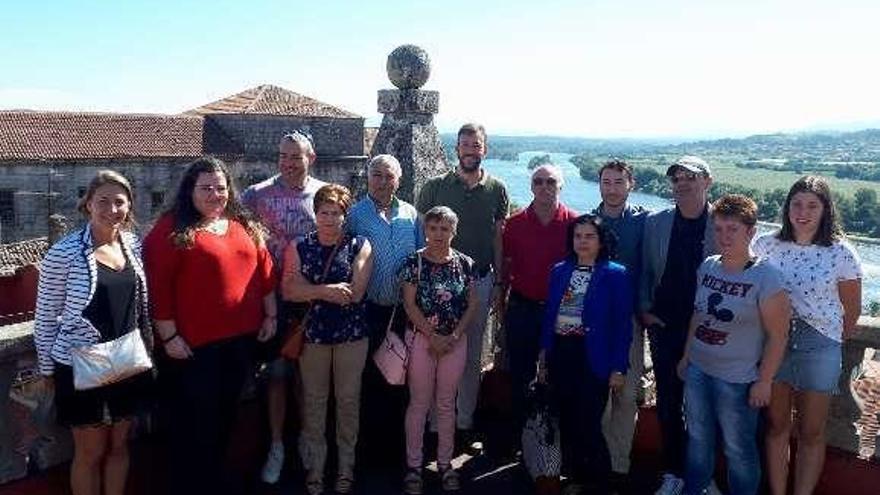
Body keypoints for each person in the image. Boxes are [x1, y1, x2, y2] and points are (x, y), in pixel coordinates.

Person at [144, 157, 276, 495]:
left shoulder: (242, 224)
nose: (215, 194)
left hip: (239, 343)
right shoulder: (171, 230)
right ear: (190, 191)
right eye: (206, 188)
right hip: (191, 348)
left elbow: (264, 273)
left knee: (225, 420)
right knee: (192, 427)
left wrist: (271, 315)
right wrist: (169, 335)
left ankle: (212, 482)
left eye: (220, 187)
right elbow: (158, 287)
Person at [33, 170, 153, 495]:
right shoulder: (64, 253)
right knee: (89, 453)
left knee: (118, 447)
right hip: (80, 365)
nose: (111, 209)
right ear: (87, 204)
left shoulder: (132, 245)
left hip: (127, 359)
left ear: (129, 206)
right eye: (102, 201)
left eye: (119, 202)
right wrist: (46, 370)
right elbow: (44, 317)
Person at [753, 176, 863, 495]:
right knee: (776, 427)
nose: (803, 212)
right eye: (797, 204)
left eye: (812, 205)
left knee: (812, 432)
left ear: (825, 210)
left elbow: (851, 311)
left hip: (820, 344)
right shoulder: (766, 244)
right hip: (775, 342)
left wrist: (830, 344)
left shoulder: (841, 253)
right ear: (787, 208)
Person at [677, 194, 791, 495]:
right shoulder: (709, 267)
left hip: (738, 379)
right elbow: (698, 316)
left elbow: (779, 336)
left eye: (732, 229)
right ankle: (695, 489)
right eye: (719, 229)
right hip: (699, 370)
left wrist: (764, 381)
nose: (724, 236)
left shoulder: (766, 276)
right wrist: (686, 358)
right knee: (698, 439)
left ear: (751, 232)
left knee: (738, 450)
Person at [241, 130, 327, 484]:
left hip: (311, 300)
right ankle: (277, 445)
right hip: (271, 299)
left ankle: (308, 441)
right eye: (283, 156)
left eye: (296, 156)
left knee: (308, 377)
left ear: (311, 158)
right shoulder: (256, 196)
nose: (288, 163)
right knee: (276, 375)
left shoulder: (323, 194)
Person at [416, 123, 509, 444]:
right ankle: (432, 425)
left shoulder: (497, 189)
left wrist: (499, 283)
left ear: (485, 149)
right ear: (456, 148)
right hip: (437, 283)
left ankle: (464, 422)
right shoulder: (435, 187)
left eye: (476, 145)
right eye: (465, 144)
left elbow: (498, 237)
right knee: (434, 351)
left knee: (471, 355)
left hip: (480, 281)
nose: (470, 150)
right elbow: (421, 233)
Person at [281, 184, 373, 495]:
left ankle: (346, 467)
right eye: (324, 212)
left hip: (351, 336)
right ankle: (315, 469)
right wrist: (325, 291)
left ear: (345, 216)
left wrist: (309, 288)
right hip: (314, 337)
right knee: (314, 403)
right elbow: (288, 290)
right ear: (315, 213)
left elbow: (355, 293)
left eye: (336, 213)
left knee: (348, 403)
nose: (330, 219)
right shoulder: (299, 246)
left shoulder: (360, 245)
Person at [537, 214, 633, 495]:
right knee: (565, 418)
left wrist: (618, 368)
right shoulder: (559, 270)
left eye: (589, 236)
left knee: (589, 422)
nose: (583, 241)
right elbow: (549, 316)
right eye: (578, 236)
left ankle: (600, 483)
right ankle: (576, 477)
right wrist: (544, 357)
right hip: (561, 353)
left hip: (594, 355)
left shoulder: (616, 273)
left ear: (601, 240)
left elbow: (622, 325)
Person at [639, 156, 716, 495]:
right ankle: (673, 471)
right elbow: (644, 271)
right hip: (665, 326)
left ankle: (702, 476)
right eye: (677, 178)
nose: (682, 183)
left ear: (707, 182)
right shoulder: (656, 222)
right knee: (670, 403)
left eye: (691, 177)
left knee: (705, 408)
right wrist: (645, 310)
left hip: (710, 329)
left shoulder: (723, 222)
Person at [348, 154, 423, 466]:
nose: (382, 181)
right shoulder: (355, 215)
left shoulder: (410, 213)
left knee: (401, 380)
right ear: (368, 178)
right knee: (368, 380)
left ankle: (396, 451)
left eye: (388, 176)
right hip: (369, 310)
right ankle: (368, 452)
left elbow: (420, 258)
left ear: (398, 180)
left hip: (404, 312)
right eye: (376, 175)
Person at [497, 164, 577, 448]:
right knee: (519, 375)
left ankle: (552, 445)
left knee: (558, 376)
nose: (545, 186)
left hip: (563, 313)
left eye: (551, 181)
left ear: (560, 186)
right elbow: (505, 268)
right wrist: (500, 304)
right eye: (539, 181)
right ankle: (518, 438)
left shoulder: (575, 225)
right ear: (532, 187)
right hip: (523, 307)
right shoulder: (515, 224)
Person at [400, 206, 479, 494]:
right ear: (426, 230)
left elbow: (472, 304)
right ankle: (413, 466)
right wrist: (432, 336)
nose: (438, 234)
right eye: (433, 228)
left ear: (453, 232)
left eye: (444, 229)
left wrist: (454, 335)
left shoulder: (466, 263)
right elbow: (409, 305)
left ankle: (445, 464)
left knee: (446, 404)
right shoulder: (413, 262)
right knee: (419, 404)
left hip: (454, 342)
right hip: (423, 340)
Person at [591, 158, 648, 481]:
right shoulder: (587, 223)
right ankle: (596, 461)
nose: (612, 189)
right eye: (606, 182)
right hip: (595, 322)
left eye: (618, 182)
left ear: (631, 184)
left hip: (629, 321)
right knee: (598, 396)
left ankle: (619, 464)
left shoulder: (644, 222)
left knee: (626, 395)